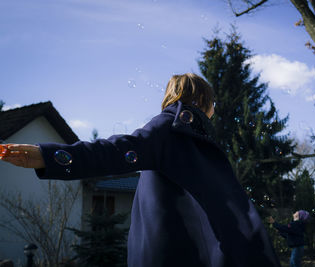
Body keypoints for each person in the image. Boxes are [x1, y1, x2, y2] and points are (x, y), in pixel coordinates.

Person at [1, 73, 281, 267]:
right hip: (172, 256)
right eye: (211, 103)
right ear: (202, 101)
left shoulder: (196, 140)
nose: (214, 109)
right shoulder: (168, 128)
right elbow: (114, 150)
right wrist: (47, 156)